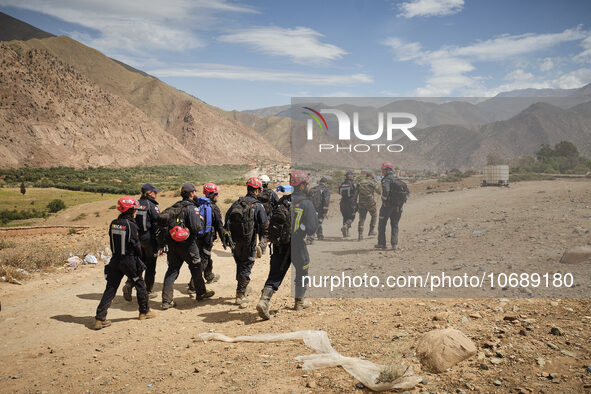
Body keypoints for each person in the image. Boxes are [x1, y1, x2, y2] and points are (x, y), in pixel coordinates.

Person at [257, 170, 318, 320]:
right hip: (298, 245)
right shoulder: (306, 203)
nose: (308, 186)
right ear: (302, 186)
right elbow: (311, 228)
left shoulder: (283, 200)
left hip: (280, 245)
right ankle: (299, 302)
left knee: (275, 273)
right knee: (302, 271)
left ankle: (264, 301)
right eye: (306, 183)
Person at [94, 197, 155, 330]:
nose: (136, 212)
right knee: (140, 284)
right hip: (128, 260)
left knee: (110, 288)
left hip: (115, 260)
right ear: (130, 210)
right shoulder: (131, 225)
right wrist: (140, 258)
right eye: (134, 209)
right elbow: (136, 244)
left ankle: (100, 318)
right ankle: (144, 311)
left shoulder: (113, 223)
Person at [161, 183, 214, 309]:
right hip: (188, 244)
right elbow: (196, 228)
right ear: (191, 193)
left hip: (173, 245)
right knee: (196, 266)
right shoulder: (192, 208)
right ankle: (201, 293)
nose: (195, 194)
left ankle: (166, 301)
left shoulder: (175, 207)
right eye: (194, 192)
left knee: (172, 270)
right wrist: (200, 219)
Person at [225, 177, 268, 308]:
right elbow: (264, 225)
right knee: (247, 266)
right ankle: (240, 295)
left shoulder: (236, 203)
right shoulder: (258, 205)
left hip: (235, 241)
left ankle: (243, 287)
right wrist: (263, 241)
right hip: (249, 242)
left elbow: (226, 219)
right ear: (257, 190)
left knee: (240, 263)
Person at [122, 183, 161, 301]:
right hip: (148, 239)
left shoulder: (136, 204)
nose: (156, 194)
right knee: (150, 265)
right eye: (155, 192)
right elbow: (158, 221)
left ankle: (129, 284)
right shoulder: (151, 205)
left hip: (136, 239)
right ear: (149, 193)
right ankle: (148, 291)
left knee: (139, 263)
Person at [188, 183, 227, 292]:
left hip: (195, 237)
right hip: (207, 238)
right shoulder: (213, 207)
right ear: (212, 194)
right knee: (203, 259)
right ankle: (193, 285)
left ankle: (209, 276)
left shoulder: (195, 204)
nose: (217, 196)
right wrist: (224, 240)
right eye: (216, 194)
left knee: (205, 257)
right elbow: (219, 225)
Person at [375, 162, 409, 250]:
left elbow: (386, 190)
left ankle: (382, 244)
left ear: (386, 170)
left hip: (387, 206)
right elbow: (407, 192)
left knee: (382, 224)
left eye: (383, 170)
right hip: (398, 206)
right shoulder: (397, 179)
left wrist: (384, 200)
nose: (382, 172)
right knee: (395, 224)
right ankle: (394, 244)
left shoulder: (387, 179)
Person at [356, 171, 380, 241]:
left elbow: (356, 193)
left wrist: (355, 203)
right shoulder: (372, 182)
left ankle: (360, 235)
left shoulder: (360, 182)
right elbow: (379, 192)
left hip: (361, 203)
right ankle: (371, 231)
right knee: (374, 215)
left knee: (362, 218)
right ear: (371, 175)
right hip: (370, 203)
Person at [338, 171, 358, 238]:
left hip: (342, 202)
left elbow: (339, 192)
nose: (353, 177)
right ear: (350, 176)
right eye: (353, 176)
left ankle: (346, 233)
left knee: (345, 216)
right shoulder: (353, 184)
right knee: (352, 217)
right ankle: (346, 226)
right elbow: (356, 192)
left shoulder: (342, 184)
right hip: (351, 202)